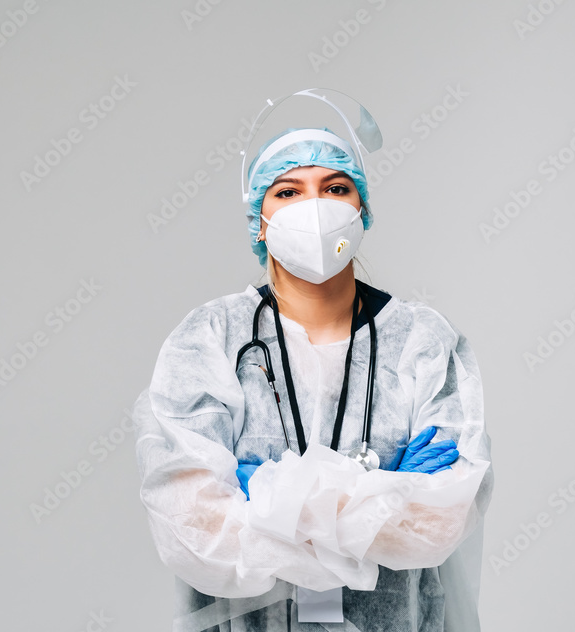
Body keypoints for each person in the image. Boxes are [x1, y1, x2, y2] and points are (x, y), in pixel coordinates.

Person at [131, 89, 494, 631]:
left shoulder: (424, 343)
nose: (314, 207)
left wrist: (272, 498)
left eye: (335, 188)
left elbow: (441, 518)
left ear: (362, 209)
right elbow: (195, 529)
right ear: (259, 219)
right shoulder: (209, 342)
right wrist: (379, 491)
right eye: (288, 192)